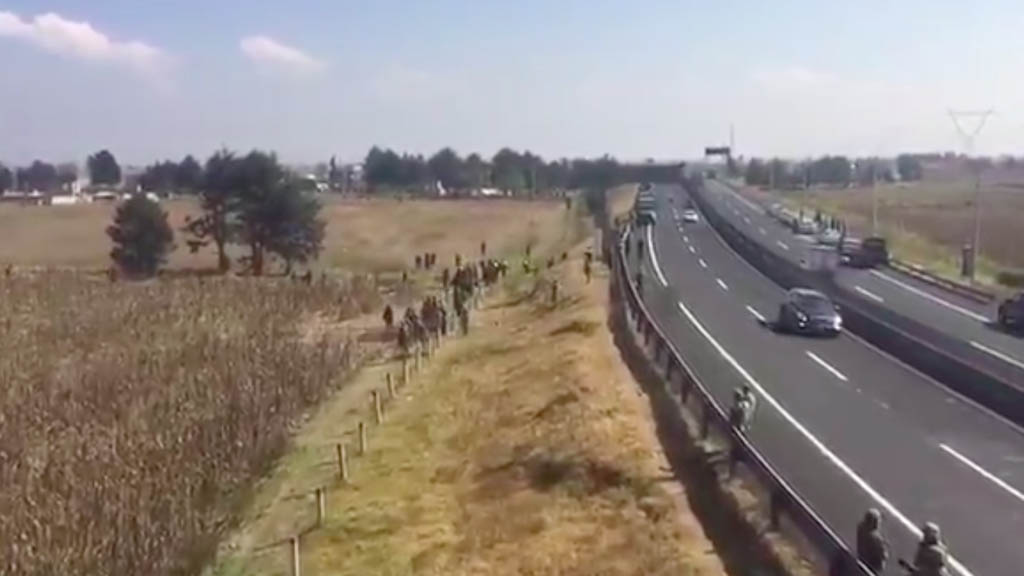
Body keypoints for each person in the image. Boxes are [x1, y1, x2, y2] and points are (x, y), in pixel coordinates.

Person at [856, 508, 889, 574]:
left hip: (862, 559)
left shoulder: (860, 528)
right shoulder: (876, 538)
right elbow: (884, 556)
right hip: (872, 567)